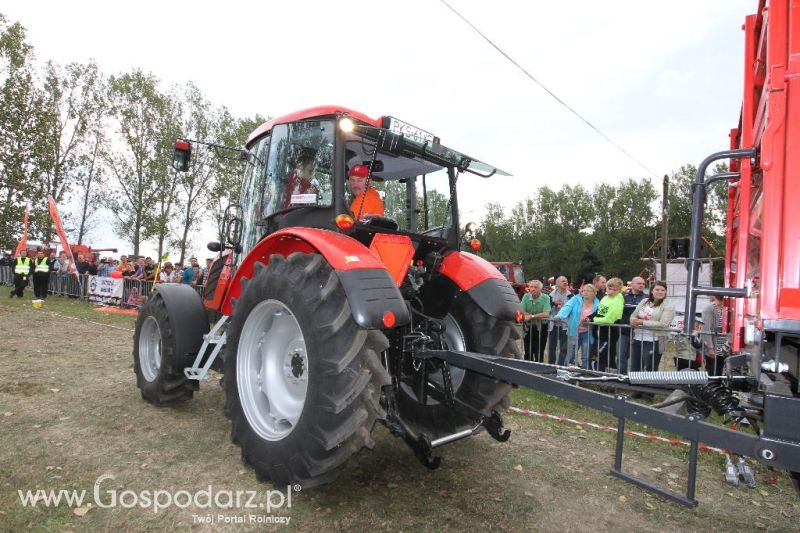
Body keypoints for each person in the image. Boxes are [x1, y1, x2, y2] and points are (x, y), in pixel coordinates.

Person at [627, 281, 675, 374]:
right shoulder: (644, 301)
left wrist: (642, 322)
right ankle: (635, 387)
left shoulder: (669, 306)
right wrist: (632, 320)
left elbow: (663, 324)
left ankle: (650, 386)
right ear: (652, 291)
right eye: (657, 289)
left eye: (663, 290)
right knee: (635, 366)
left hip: (658, 339)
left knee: (651, 367)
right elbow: (633, 315)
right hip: (638, 338)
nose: (660, 292)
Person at [554, 283, 599, 367]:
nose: (585, 292)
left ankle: (585, 373)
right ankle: (566, 371)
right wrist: (559, 316)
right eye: (584, 290)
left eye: (588, 291)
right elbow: (567, 307)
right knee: (570, 355)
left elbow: (597, 314)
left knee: (586, 356)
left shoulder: (598, 302)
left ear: (594, 293)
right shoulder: (575, 299)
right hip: (575, 331)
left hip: (588, 332)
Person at [592, 277, 625, 372]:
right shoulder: (605, 299)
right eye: (609, 288)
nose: (611, 291)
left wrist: (594, 319)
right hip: (599, 334)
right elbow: (600, 313)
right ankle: (601, 377)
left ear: (619, 290)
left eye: (615, 290)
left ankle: (607, 379)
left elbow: (609, 319)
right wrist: (593, 318)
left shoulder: (618, 301)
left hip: (609, 335)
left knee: (597, 357)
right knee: (601, 358)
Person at [618, 276, 647, 373]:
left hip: (640, 332)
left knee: (638, 357)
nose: (642, 285)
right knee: (621, 355)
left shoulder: (647, 298)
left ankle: (637, 378)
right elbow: (618, 312)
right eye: (639, 283)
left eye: (643, 284)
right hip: (624, 331)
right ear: (632, 284)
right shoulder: (622, 296)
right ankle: (621, 377)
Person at [519, 280, 551, 362]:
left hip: (541, 327)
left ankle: (538, 370)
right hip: (528, 326)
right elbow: (521, 311)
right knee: (528, 350)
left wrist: (531, 316)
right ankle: (526, 370)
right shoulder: (526, 296)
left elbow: (546, 314)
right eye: (531, 287)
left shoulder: (546, 298)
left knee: (539, 351)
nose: (533, 289)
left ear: (540, 289)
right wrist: (536, 317)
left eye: (535, 287)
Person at [547, 275, 572, 365]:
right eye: (563, 281)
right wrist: (554, 303)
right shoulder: (550, 295)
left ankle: (560, 367)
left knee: (563, 349)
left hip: (565, 326)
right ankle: (551, 366)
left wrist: (563, 308)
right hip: (553, 326)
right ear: (557, 284)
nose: (565, 282)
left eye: (566, 281)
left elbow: (572, 310)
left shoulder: (570, 296)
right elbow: (546, 310)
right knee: (551, 348)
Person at [701, 295, 728, 376]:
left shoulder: (725, 308)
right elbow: (706, 329)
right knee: (712, 373)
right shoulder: (709, 308)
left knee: (718, 372)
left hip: (723, 348)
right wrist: (710, 348)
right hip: (714, 347)